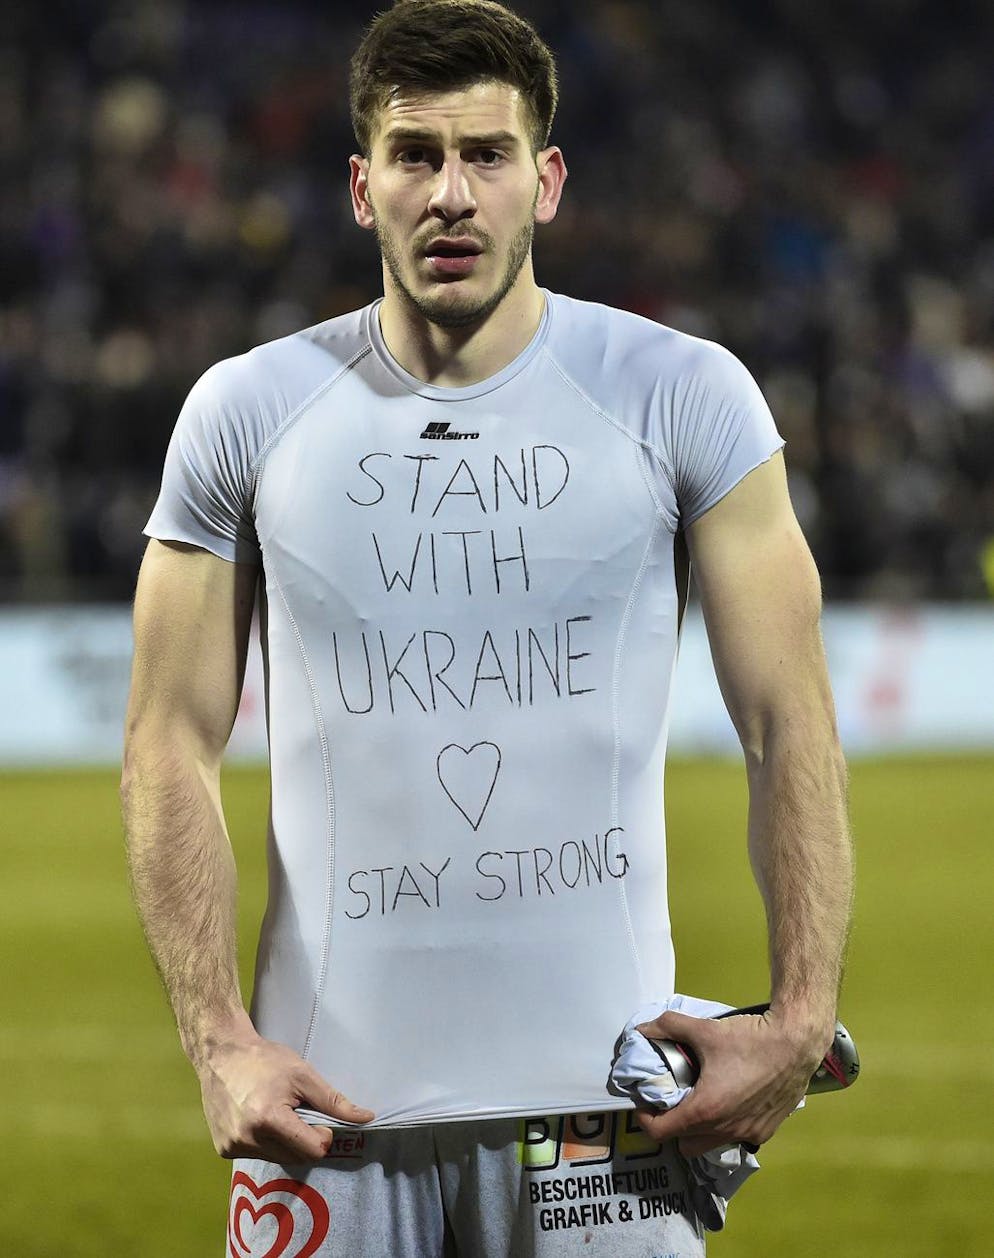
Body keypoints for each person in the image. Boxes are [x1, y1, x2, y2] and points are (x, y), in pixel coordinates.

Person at [121, 1, 853, 1253]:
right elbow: (166, 746)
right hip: (325, 1119)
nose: (450, 194)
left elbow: (790, 724)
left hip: (603, 1124)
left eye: (487, 155)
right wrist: (216, 1042)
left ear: (546, 179)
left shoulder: (685, 397)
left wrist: (799, 1015)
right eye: (414, 155)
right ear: (362, 187)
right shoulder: (244, 413)